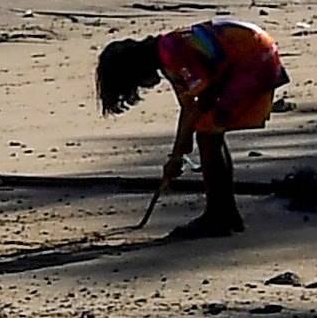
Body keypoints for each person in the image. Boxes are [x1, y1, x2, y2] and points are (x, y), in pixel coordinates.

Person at [99, 19, 287, 238]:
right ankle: (227, 214)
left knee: (208, 132)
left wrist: (180, 151)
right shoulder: (167, 53)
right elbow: (188, 108)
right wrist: (177, 156)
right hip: (251, 54)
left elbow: (202, 100)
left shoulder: (173, 54)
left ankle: (217, 217)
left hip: (253, 60)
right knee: (208, 132)